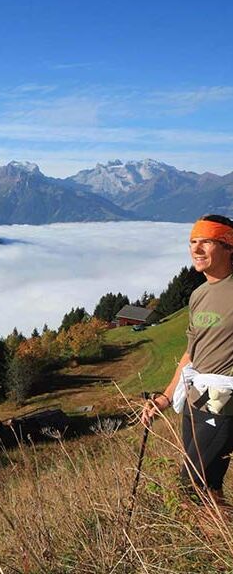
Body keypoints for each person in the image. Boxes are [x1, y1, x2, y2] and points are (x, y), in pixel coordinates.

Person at [142, 214, 233, 502]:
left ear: (228, 246)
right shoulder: (198, 296)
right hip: (195, 399)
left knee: (193, 484)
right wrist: (165, 399)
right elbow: (190, 353)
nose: (196, 249)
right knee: (208, 484)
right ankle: (218, 542)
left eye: (206, 241)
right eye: (193, 242)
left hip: (224, 398)